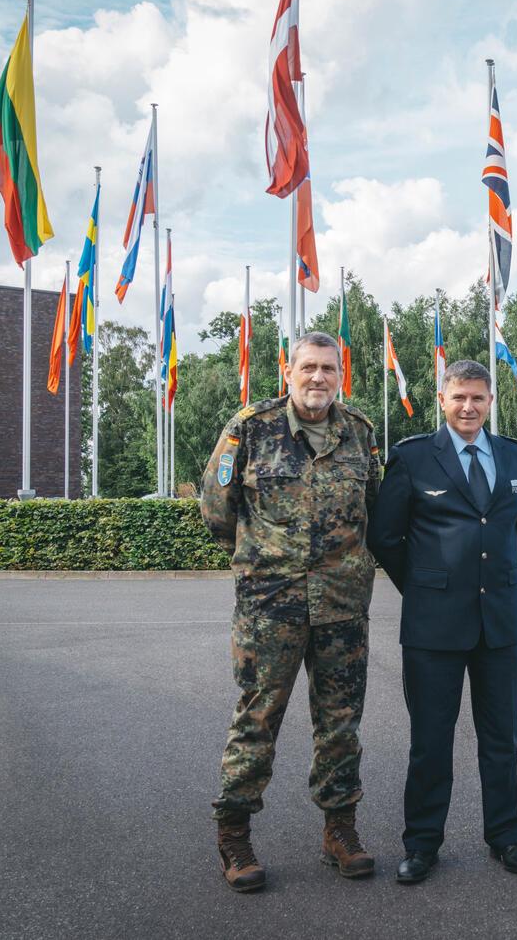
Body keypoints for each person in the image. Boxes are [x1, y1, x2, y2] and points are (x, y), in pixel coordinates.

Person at [200, 331, 381, 893]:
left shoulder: (360, 433)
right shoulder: (249, 429)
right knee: (257, 721)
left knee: (340, 725)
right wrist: (269, 561)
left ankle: (340, 830)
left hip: (342, 607)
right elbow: (217, 512)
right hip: (270, 609)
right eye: (308, 367)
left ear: (340, 373)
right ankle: (234, 835)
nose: (318, 378)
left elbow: (372, 507)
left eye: (328, 368)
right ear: (288, 369)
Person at [368, 360, 517, 885]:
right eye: (459, 397)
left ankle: (506, 838)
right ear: (442, 400)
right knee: (430, 740)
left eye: (479, 399)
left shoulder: (515, 456)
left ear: (490, 403)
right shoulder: (415, 458)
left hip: (499, 625)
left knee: (501, 739)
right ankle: (421, 845)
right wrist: (426, 586)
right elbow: (385, 537)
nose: (469, 407)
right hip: (433, 629)